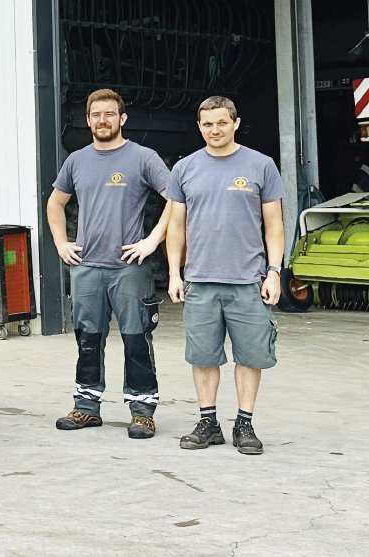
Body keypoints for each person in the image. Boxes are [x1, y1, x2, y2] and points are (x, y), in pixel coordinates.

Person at [47, 89, 171, 439]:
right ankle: (86, 407)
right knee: (88, 339)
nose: (103, 120)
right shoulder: (76, 161)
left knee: (136, 338)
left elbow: (177, 200)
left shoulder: (143, 158)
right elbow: (55, 203)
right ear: (88, 120)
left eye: (110, 114)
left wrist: (153, 240)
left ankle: (142, 410)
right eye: (96, 115)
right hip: (86, 268)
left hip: (129, 269)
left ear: (122, 118)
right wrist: (61, 243)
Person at [165, 96, 284, 455]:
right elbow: (176, 227)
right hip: (200, 281)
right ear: (199, 126)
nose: (214, 130)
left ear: (235, 122)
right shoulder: (184, 169)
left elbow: (274, 225)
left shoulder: (260, 165)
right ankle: (208, 422)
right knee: (203, 357)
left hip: (248, 281)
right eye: (207, 124)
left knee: (250, 356)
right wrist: (174, 273)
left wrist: (274, 271)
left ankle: (244, 423)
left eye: (221, 122)